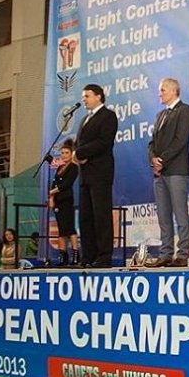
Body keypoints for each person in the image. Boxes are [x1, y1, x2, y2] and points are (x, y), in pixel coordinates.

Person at [146, 78, 189, 268]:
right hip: (160, 173)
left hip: (176, 170)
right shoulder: (160, 115)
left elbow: (180, 140)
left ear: (174, 91)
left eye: (163, 90)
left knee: (180, 214)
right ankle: (165, 254)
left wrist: (162, 160)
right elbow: (152, 142)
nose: (160, 94)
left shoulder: (185, 111)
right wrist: (153, 158)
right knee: (163, 216)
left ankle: (182, 254)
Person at [72, 84, 118, 268]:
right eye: (83, 96)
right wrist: (77, 154)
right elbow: (78, 143)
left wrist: (81, 153)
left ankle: (104, 256)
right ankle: (88, 256)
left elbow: (104, 142)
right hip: (85, 174)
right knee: (85, 217)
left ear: (98, 96)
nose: (84, 99)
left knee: (101, 215)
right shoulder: (85, 119)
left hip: (100, 172)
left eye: (87, 95)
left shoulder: (108, 116)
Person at [48, 139, 79, 266]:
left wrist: (53, 191)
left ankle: (75, 254)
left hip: (66, 199)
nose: (64, 155)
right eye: (62, 153)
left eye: (66, 153)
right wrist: (51, 198)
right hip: (58, 200)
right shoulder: (60, 167)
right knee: (61, 229)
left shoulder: (73, 167)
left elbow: (66, 184)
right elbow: (54, 183)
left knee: (69, 228)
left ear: (71, 154)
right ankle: (62, 255)